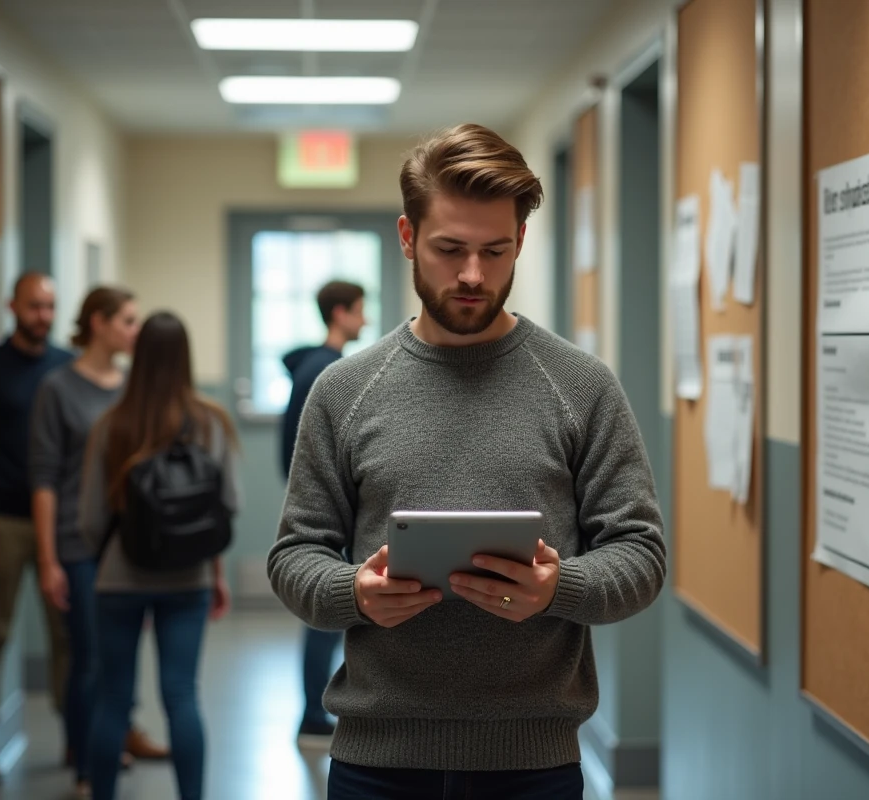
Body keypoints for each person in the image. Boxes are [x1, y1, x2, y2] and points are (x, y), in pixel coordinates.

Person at [266, 122, 667, 799]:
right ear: (406, 237)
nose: (474, 275)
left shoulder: (580, 386)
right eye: (450, 250)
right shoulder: (345, 390)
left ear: (521, 243)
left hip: (533, 764)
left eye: (496, 251)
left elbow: (641, 555)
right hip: (375, 762)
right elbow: (293, 556)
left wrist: (557, 588)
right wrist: (354, 594)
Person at [79, 311, 239, 800]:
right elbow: (228, 508)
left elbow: (88, 519)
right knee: (181, 698)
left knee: (112, 700)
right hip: (187, 579)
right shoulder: (211, 422)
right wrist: (215, 573)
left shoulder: (112, 424)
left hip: (118, 581)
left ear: (139, 355)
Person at [30, 286, 168, 796]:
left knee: (122, 653)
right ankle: (86, 763)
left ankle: (116, 740)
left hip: (128, 545)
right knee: (88, 657)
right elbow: (43, 479)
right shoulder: (58, 389)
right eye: (128, 321)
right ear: (99, 323)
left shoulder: (132, 389)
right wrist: (49, 559)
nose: (136, 332)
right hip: (77, 542)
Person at [0, 272, 73, 784]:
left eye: (49, 307)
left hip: (62, 525)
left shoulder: (66, 368)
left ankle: (76, 736)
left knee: (67, 634)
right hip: (2, 519)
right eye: (33, 307)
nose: (42, 316)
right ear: (11, 307)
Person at [279, 279, 366, 746]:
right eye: (359, 310)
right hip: (335, 513)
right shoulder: (327, 374)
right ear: (339, 313)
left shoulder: (312, 366)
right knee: (326, 610)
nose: (365, 320)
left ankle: (313, 710)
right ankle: (313, 712)